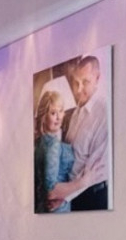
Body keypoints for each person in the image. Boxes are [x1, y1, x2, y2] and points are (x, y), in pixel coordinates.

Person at [46, 55, 109, 211]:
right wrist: (64, 197)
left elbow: (93, 173)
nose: (79, 89)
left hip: (92, 197)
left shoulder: (104, 112)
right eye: (76, 82)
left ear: (97, 78)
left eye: (85, 82)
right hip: (72, 195)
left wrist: (65, 193)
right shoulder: (77, 110)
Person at [33, 87, 75, 213]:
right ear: (44, 117)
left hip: (43, 207)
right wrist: (64, 197)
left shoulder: (39, 142)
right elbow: (50, 188)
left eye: (60, 111)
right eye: (53, 113)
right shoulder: (53, 144)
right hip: (58, 208)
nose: (58, 117)